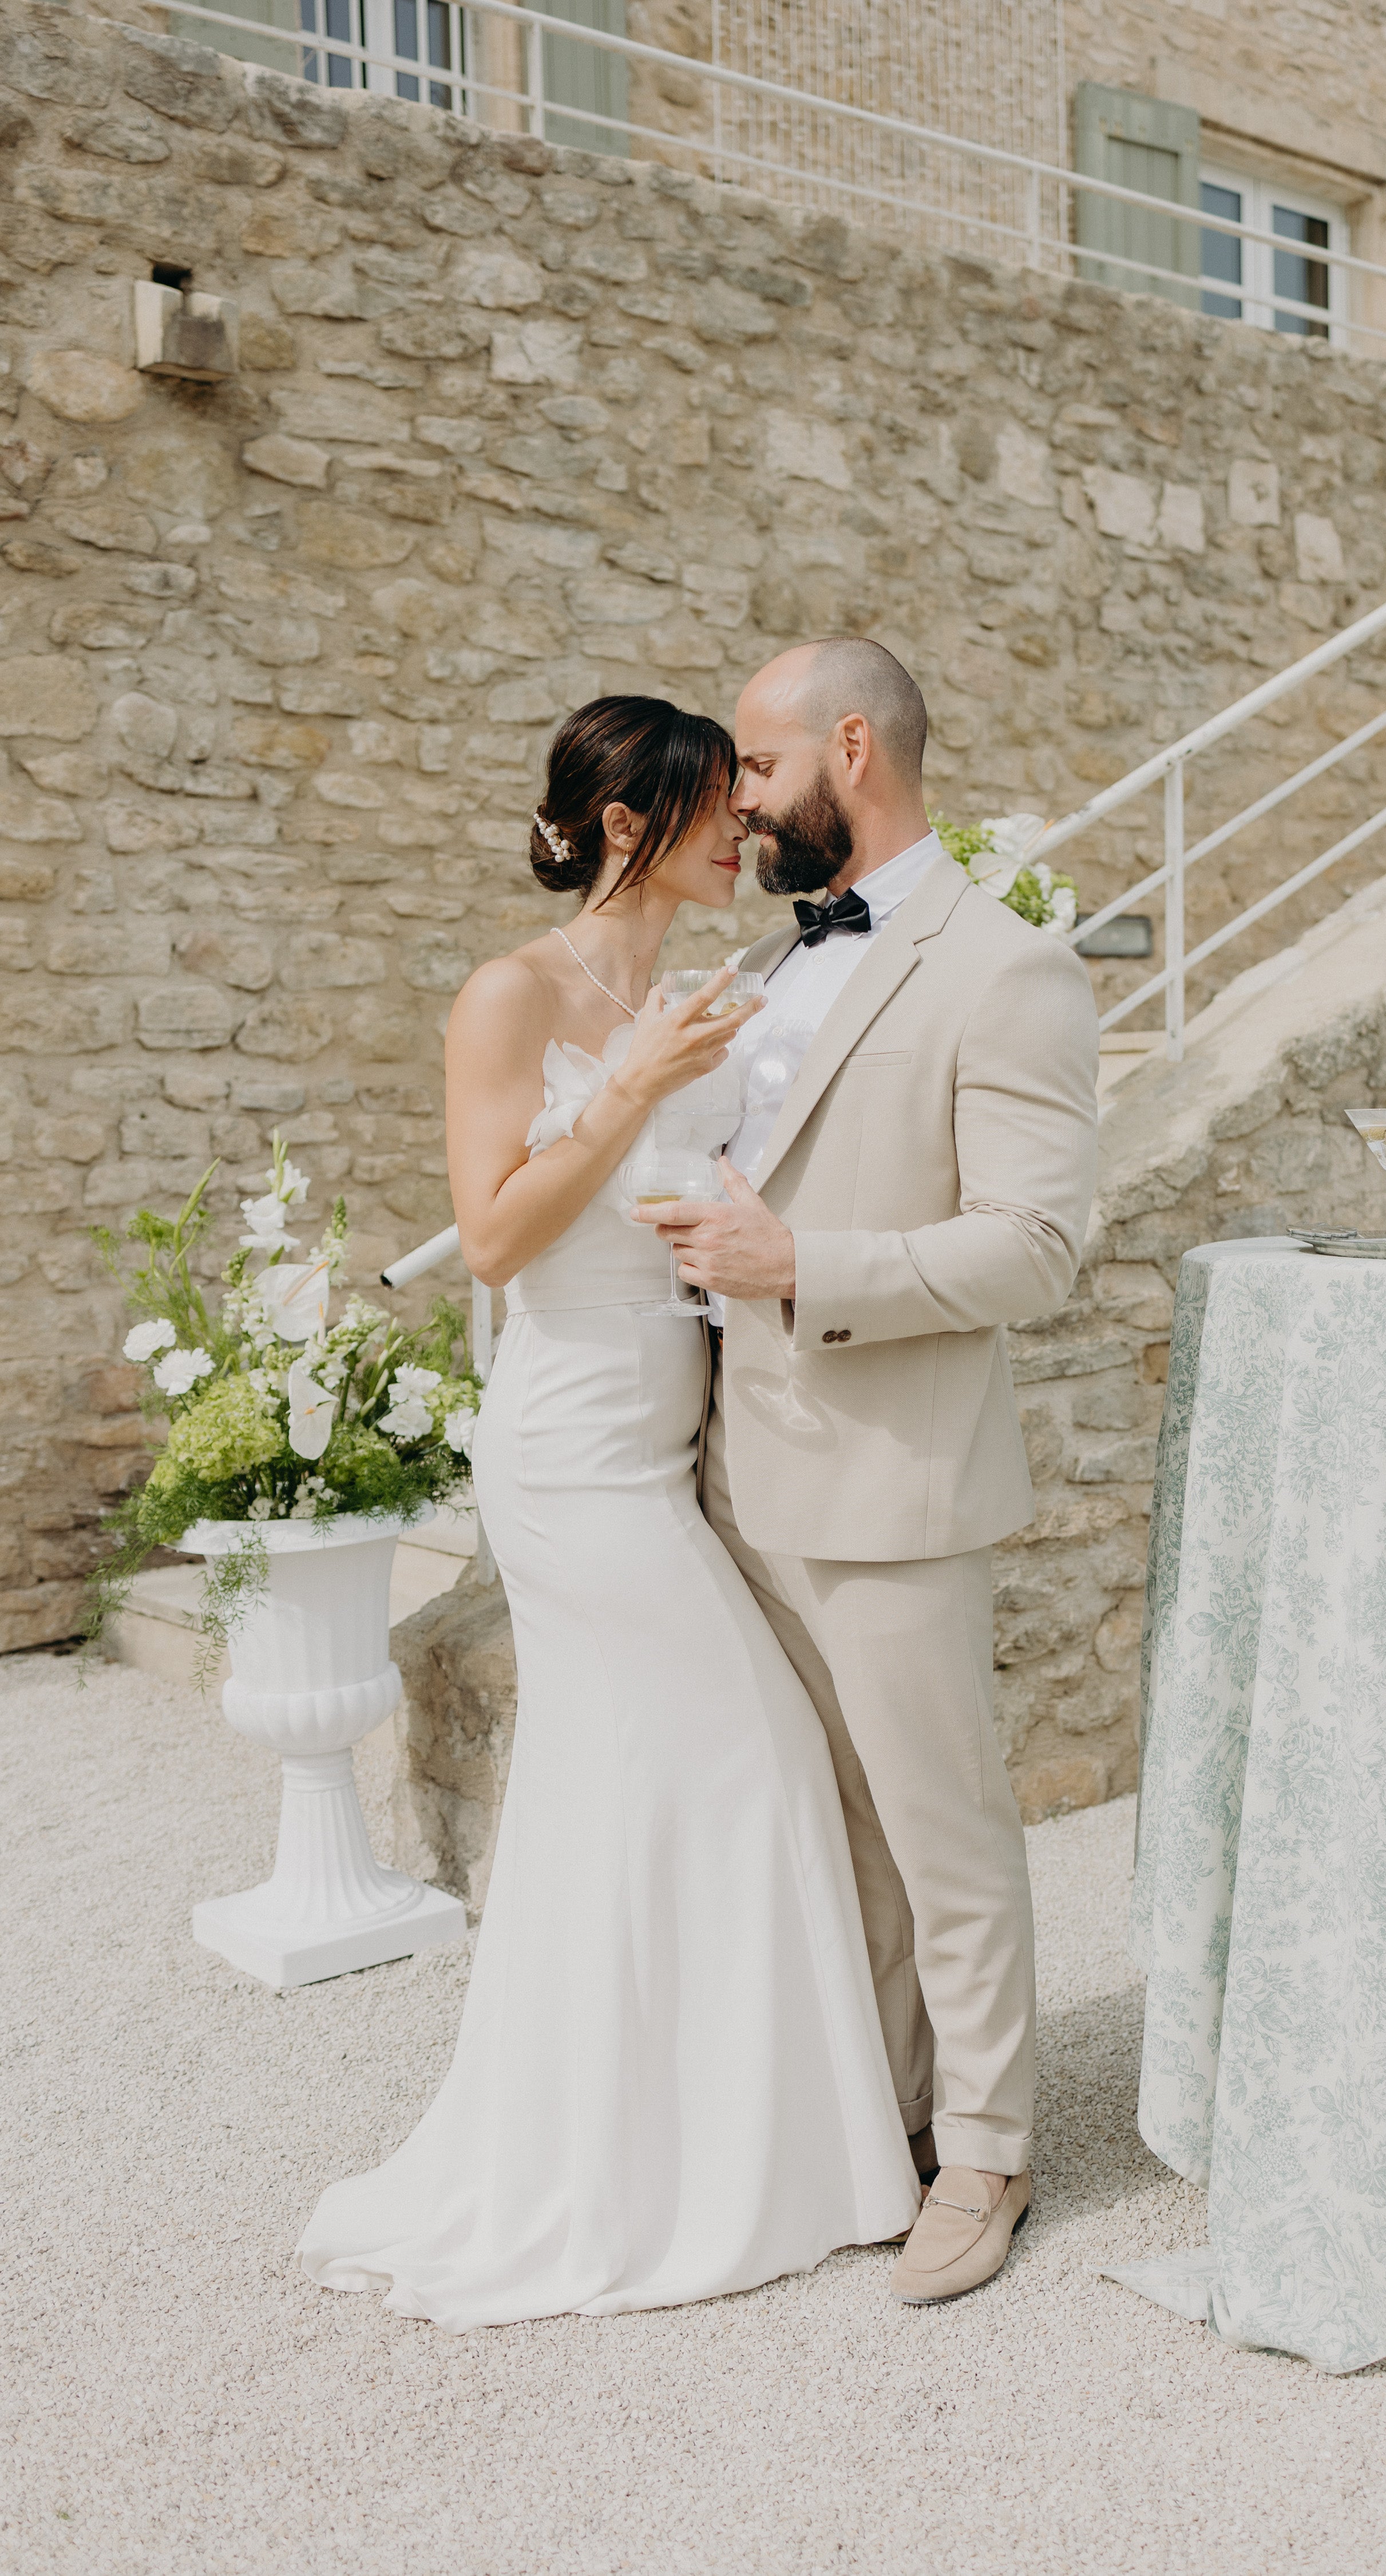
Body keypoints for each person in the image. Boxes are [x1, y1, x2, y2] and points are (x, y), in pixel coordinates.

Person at [297, 695, 922, 2329]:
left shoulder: (724, 985)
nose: (747, 834)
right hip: (571, 1448)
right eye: (721, 809)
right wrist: (627, 1086)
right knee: (756, 1751)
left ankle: (701, 2139)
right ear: (633, 821)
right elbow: (495, 1240)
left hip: (678, 1437)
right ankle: (690, 2162)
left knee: (632, 1788)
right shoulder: (514, 994)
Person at [640, 640, 1100, 2305]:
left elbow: (1043, 1244)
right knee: (839, 1827)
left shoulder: (1009, 968)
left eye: (758, 769)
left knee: (944, 1826)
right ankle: (889, 2119)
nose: (740, 802)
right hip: (735, 1472)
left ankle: (990, 2150)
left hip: (896, 1473)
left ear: (854, 747)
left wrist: (802, 1264)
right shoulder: (776, 957)